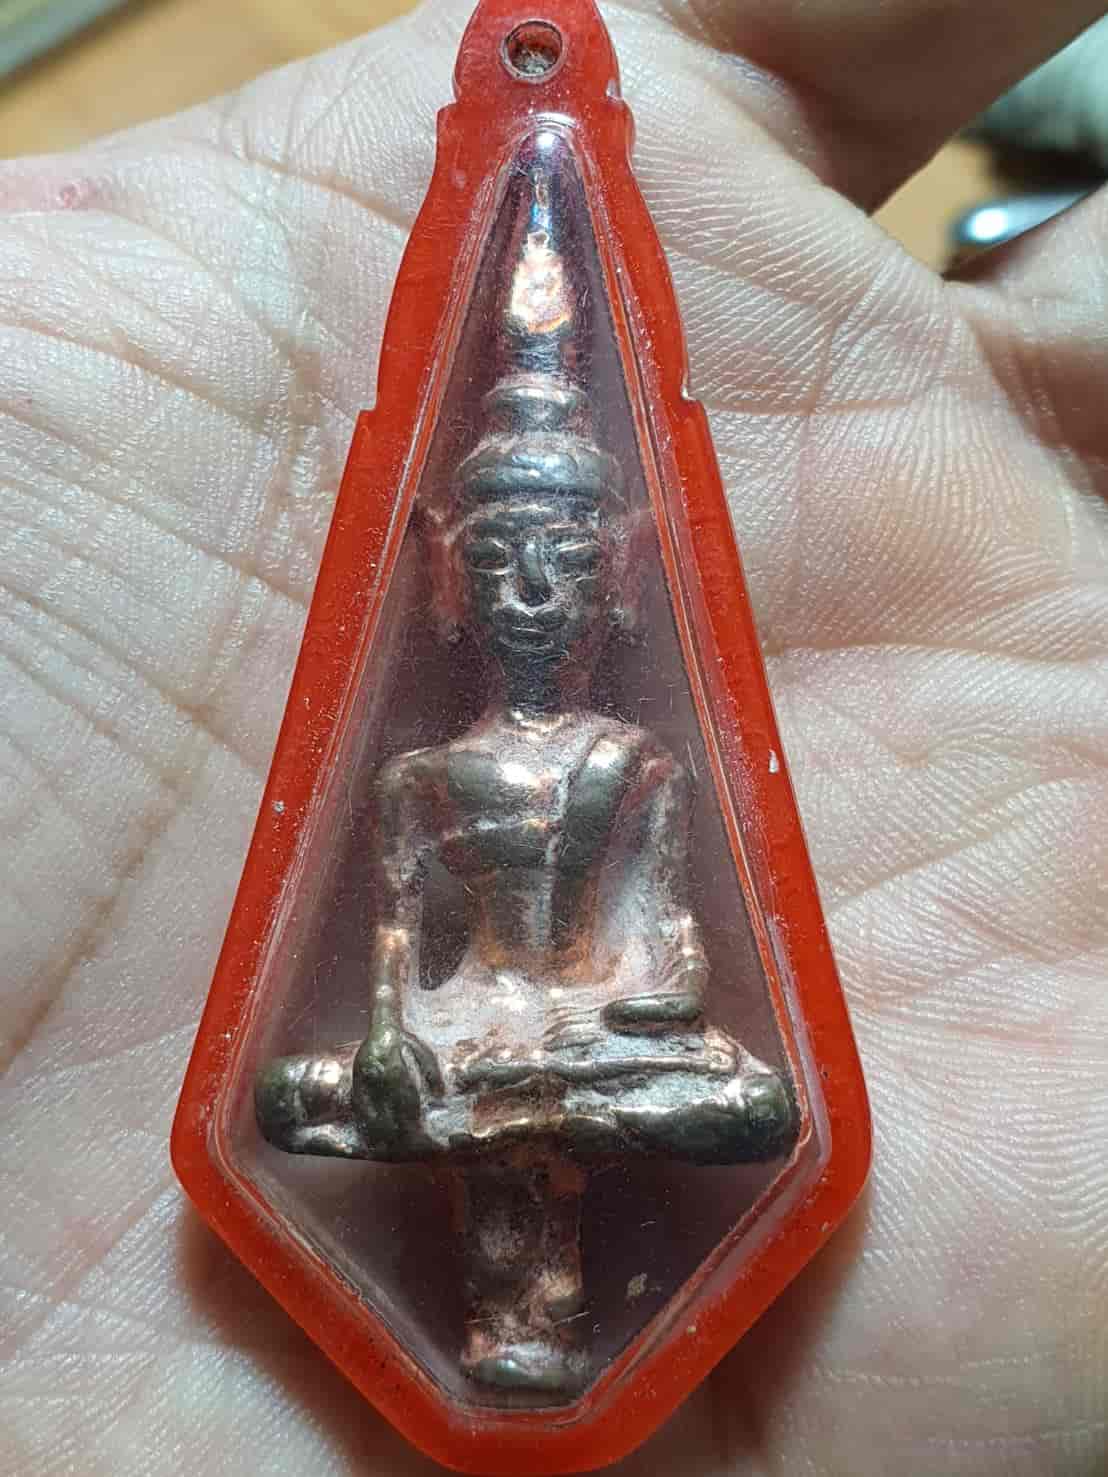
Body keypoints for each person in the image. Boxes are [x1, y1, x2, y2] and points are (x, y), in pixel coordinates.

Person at [1, 0, 1106, 1471]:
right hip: (458, 1054)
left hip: (584, 1049)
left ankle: (526, 1240)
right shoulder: (418, 778)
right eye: (504, 559)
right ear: (448, 574)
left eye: (567, 563)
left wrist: (590, 1027)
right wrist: (403, 1044)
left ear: (621, 575)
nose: (534, 591)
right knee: (289, 1096)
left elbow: (670, 963)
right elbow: (399, 967)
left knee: (753, 1101)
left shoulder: (632, 763)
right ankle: (511, 1248)